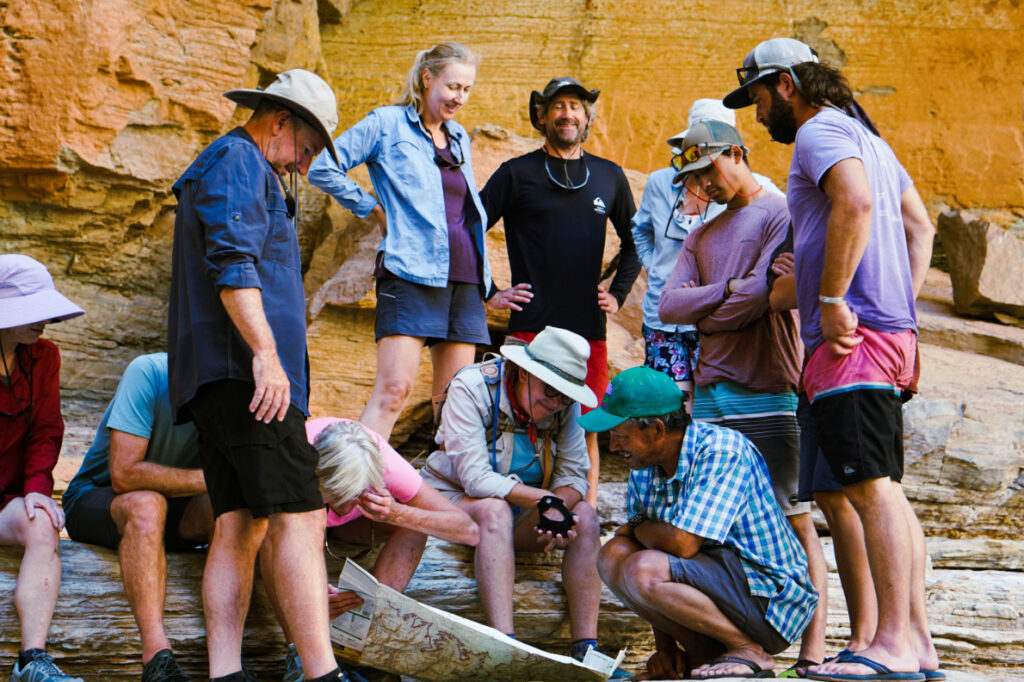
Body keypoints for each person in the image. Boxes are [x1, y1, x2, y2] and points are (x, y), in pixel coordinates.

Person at [725, 37, 939, 681]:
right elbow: (919, 227)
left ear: (787, 84)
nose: (758, 116)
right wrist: (897, 302)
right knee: (858, 488)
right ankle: (912, 645)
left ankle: (894, 645)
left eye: (759, 98)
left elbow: (857, 203)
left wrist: (839, 298)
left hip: (853, 343)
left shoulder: (822, 132)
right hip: (874, 335)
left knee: (872, 487)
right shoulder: (871, 141)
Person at [167, 69, 348, 682]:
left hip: (223, 379)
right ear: (280, 123)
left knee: (241, 521)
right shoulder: (241, 161)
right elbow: (234, 263)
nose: (305, 163)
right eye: (308, 148)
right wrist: (267, 357)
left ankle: (226, 673)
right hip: (247, 379)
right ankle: (323, 673)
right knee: (301, 512)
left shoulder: (233, 164)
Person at [656, 120, 827, 677]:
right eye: (694, 177)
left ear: (735, 151)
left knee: (794, 516)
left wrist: (717, 307)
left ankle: (813, 652)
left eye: (708, 170)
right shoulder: (704, 235)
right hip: (710, 395)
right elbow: (668, 307)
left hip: (771, 387)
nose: (703, 185)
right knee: (714, 525)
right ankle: (735, 649)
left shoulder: (782, 212)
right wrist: (728, 292)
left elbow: (766, 299)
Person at [420, 326, 632, 680]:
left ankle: (587, 649)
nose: (556, 405)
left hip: (521, 510)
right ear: (523, 372)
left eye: (565, 397)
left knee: (587, 516)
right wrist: (546, 500)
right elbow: (475, 479)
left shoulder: (565, 406)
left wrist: (557, 510)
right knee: (494, 508)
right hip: (454, 502)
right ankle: (505, 645)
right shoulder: (472, 387)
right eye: (551, 392)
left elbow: (575, 475)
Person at [308, 42, 492, 440]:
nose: (460, 98)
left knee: (455, 403)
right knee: (394, 391)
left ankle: (442, 496)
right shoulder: (386, 124)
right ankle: (351, 490)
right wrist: (372, 207)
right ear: (428, 79)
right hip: (409, 270)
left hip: (465, 276)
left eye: (467, 90)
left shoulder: (458, 136)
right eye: (453, 87)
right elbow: (323, 167)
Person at [586, 367, 817, 680]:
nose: (613, 446)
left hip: (770, 602)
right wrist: (666, 647)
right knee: (614, 554)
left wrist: (638, 526)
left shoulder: (721, 451)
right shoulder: (643, 467)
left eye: (621, 435)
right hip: (719, 589)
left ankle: (749, 649)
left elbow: (682, 545)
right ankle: (698, 656)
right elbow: (649, 547)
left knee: (644, 565)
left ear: (656, 429)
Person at [480, 76, 641, 507]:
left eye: (575, 106)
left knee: (586, 427)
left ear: (587, 117)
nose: (567, 114)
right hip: (531, 328)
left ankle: (581, 519)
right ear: (542, 116)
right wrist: (490, 290)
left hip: (589, 330)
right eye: (557, 106)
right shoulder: (516, 173)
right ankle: (519, 513)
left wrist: (618, 293)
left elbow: (637, 240)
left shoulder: (609, 175)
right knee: (520, 423)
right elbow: (468, 228)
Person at [262, 417, 480, 682]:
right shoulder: (293, 458)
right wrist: (309, 594)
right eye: (340, 496)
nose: (348, 505)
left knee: (416, 522)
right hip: (291, 522)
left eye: (358, 495)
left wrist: (396, 513)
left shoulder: (385, 465)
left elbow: (467, 530)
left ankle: (361, 637)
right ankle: (297, 653)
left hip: (352, 529)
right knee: (272, 533)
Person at [63, 353, 211, 682]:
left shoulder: (241, 392)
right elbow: (123, 476)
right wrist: (213, 480)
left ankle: (232, 664)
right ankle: (157, 659)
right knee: (147, 503)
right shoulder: (150, 372)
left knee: (232, 509)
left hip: (173, 511)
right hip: (95, 498)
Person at [770, 245, 880, 666]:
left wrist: (806, 275)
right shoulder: (807, 215)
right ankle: (862, 636)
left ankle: (867, 638)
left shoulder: (852, 207)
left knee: (862, 498)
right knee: (833, 500)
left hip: (852, 368)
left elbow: (787, 290)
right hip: (815, 371)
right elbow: (779, 294)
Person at [632, 99, 780, 408]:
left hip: (712, 314)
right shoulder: (661, 183)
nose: (703, 178)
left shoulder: (757, 190)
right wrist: (655, 267)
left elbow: (778, 238)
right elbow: (640, 229)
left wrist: (726, 287)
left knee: (708, 404)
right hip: (663, 316)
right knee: (667, 408)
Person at [0, 254, 85, 682]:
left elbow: (47, 431)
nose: (44, 320)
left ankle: (31, 662)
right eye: (32, 310)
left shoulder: (44, 356)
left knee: (43, 525)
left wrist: (37, 489)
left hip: (7, 501)